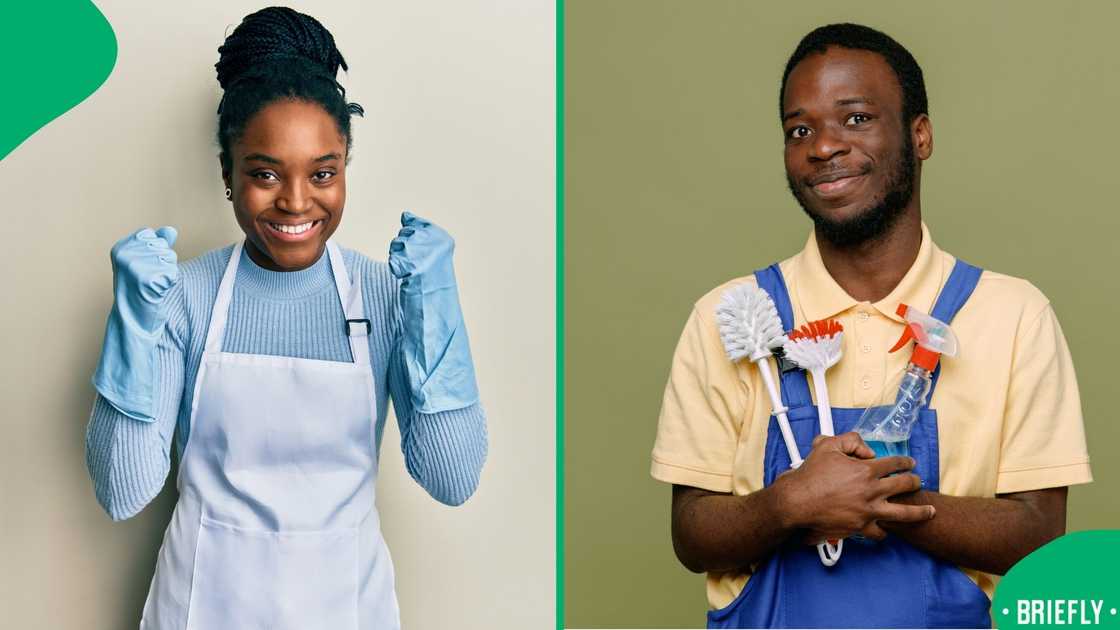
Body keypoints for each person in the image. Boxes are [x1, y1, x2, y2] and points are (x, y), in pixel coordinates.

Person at [651, 23, 1091, 628]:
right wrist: (789, 503)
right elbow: (692, 534)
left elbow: (1039, 534)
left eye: (856, 118)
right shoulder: (728, 314)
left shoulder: (1014, 316)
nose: (823, 147)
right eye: (799, 130)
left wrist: (873, 497)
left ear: (920, 135)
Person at [84, 8, 486, 629]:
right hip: (200, 609)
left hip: (347, 611)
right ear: (228, 173)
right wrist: (135, 325)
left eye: (322, 173)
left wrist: (436, 313)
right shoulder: (182, 296)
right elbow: (122, 493)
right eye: (265, 173)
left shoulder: (388, 295)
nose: (296, 202)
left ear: (345, 166)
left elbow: (452, 479)